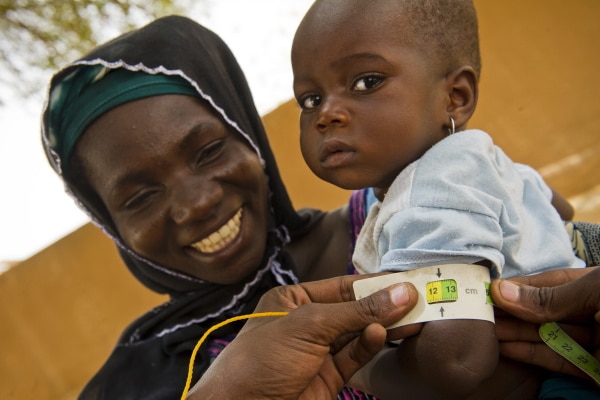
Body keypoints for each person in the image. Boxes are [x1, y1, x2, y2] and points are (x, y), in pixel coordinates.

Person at [41, 15, 371, 399]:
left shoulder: (397, 227)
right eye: (140, 198)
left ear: (248, 134)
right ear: (112, 226)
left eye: (209, 152)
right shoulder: (130, 387)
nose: (196, 204)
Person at [291, 0, 584, 398]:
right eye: (310, 100)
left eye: (366, 82)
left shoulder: (427, 196)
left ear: (455, 98)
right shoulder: (480, 156)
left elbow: (457, 360)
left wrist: (351, 367)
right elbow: (561, 211)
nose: (326, 114)